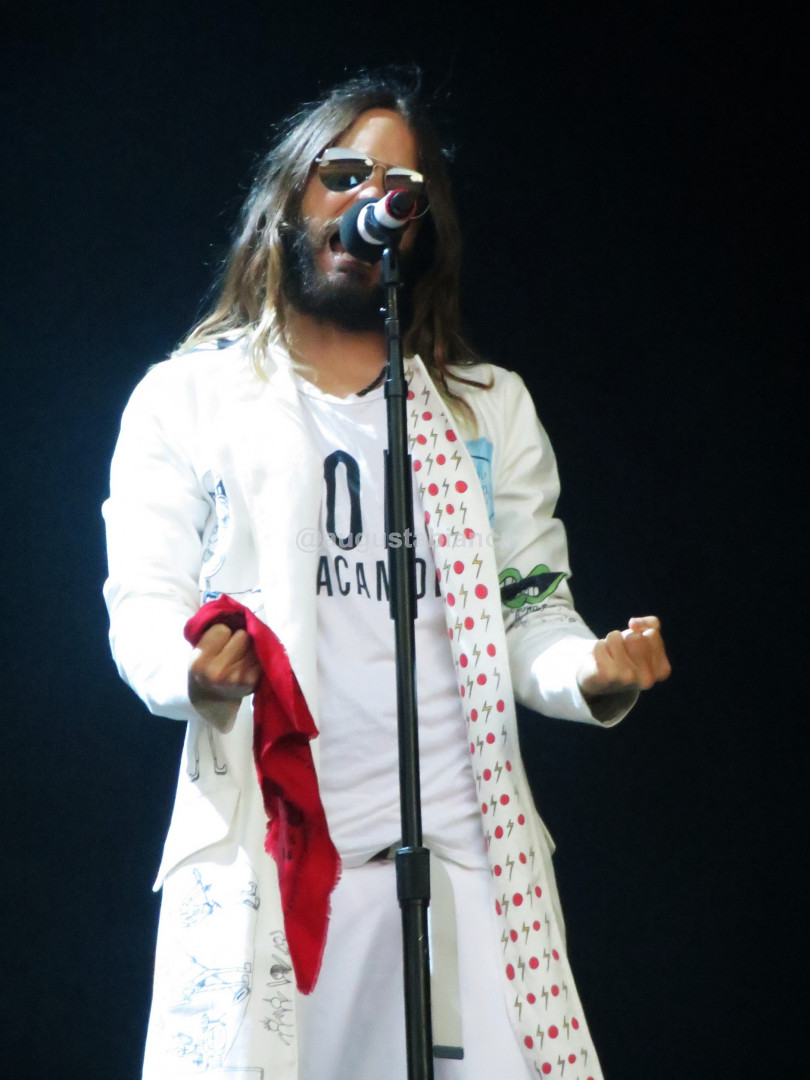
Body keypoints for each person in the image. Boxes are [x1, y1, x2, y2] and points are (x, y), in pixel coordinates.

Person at [103, 69, 671, 1080]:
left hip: (470, 866)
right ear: (289, 199)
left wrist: (589, 670)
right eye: (345, 173)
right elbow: (143, 600)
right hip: (281, 864)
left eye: (401, 186)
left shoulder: (483, 407)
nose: (374, 197)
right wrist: (192, 674)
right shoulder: (188, 400)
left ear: (420, 230)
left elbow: (531, 611)